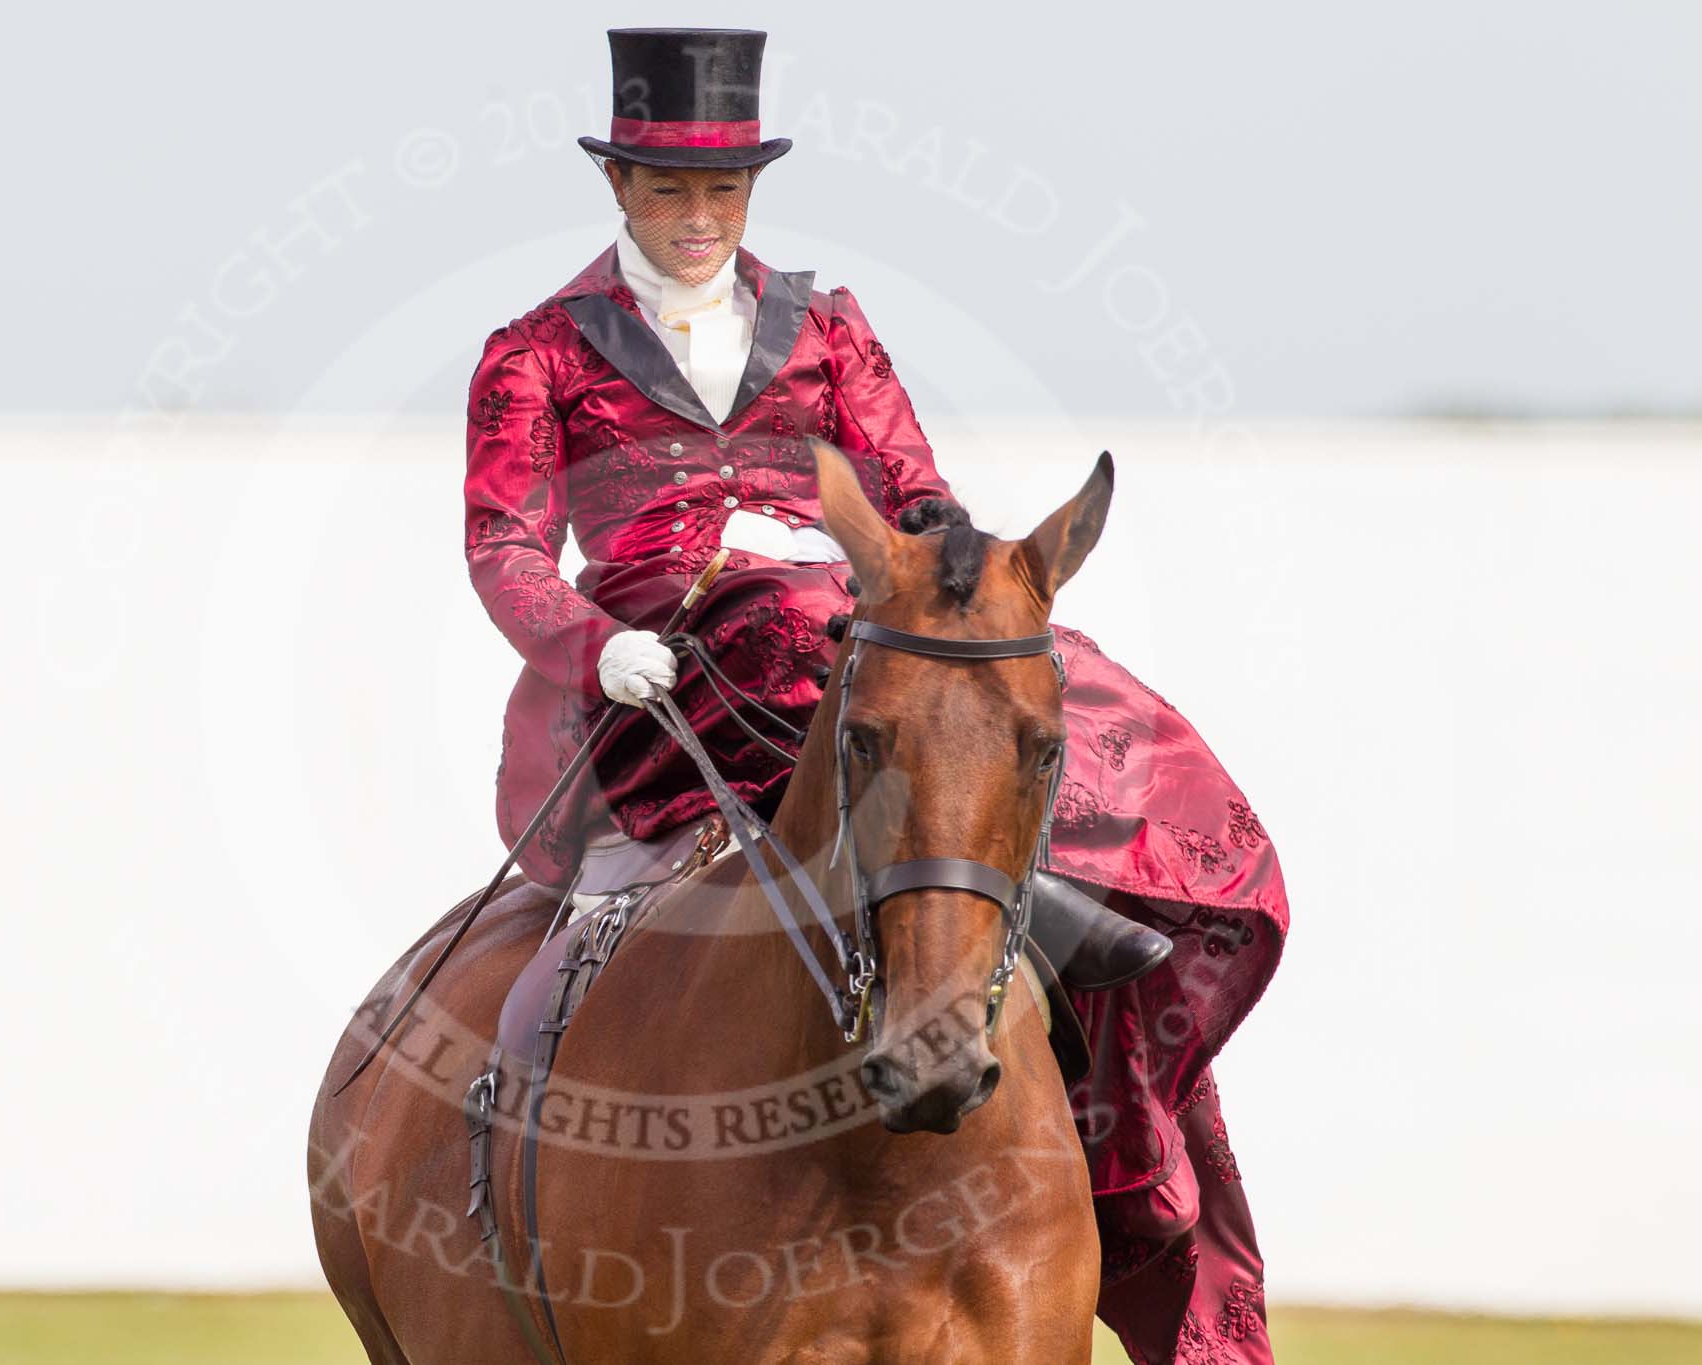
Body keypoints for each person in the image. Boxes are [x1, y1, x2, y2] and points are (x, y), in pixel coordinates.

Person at [462, 27, 1288, 1362]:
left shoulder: (828, 327)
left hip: (850, 633)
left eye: (720, 193)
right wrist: (583, 639)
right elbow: (502, 541)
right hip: (662, 668)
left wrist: (950, 575)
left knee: (1013, 695)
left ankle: (1089, 942)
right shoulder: (537, 353)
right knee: (817, 634)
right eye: (670, 190)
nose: (696, 217)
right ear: (621, 188)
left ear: (748, 195)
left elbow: (913, 490)